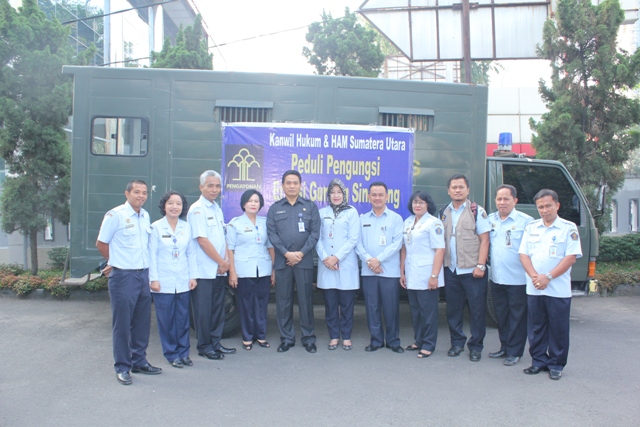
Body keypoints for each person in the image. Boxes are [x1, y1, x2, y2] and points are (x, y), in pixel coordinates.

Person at [96, 180, 161, 385]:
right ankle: (123, 367)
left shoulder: (145, 216)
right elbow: (101, 243)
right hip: (123, 276)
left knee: (142, 322)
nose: (141, 196)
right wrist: (113, 262)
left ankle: (139, 361)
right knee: (122, 324)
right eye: (136, 192)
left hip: (142, 275)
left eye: (144, 193)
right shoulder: (115, 215)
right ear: (127, 193)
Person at [519, 189, 582, 380]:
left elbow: (570, 258)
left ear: (557, 205)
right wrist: (534, 277)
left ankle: (556, 364)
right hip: (535, 287)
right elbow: (524, 254)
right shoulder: (532, 227)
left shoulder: (568, 228)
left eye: (548, 206)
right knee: (536, 328)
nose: (544, 210)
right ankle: (538, 361)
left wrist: (547, 277)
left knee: (558, 328)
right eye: (540, 207)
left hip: (557, 289)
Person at [266, 170, 321, 353]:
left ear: (300, 185)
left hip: (304, 262)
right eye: (288, 183)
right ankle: (287, 338)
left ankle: (308, 338)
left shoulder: (310, 206)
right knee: (283, 301)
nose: (291, 186)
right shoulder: (275, 208)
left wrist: (301, 253)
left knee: (306, 300)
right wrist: (286, 253)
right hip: (283, 262)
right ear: (282, 185)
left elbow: (315, 233)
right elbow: (272, 234)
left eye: (295, 183)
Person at [441, 174, 491, 362]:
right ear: (449, 190)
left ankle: (476, 346)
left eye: (461, 187)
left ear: (468, 190)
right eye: (454, 187)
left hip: (473, 271)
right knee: (453, 309)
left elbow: (485, 240)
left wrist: (480, 265)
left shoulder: (476, 211)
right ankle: (457, 343)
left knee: (477, 311)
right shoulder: (444, 212)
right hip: (451, 270)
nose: (457, 190)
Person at [187, 170, 235, 360]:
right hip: (204, 270)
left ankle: (216, 342)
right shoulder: (197, 209)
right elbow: (202, 240)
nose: (214, 189)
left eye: (217, 186)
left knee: (218, 308)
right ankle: (204, 346)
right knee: (203, 311)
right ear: (201, 187)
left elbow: (221, 238)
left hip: (218, 270)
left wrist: (225, 264)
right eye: (210, 185)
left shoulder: (216, 208)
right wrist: (222, 262)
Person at [149, 191, 198, 368]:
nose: (174, 207)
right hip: (163, 282)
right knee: (167, 321)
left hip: (183, 281)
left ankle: (184, 352)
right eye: (171, 203)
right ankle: (171, 354)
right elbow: (151, 255)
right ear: (164, 206)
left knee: (183, 319)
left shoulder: (186, 227)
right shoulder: (156, 227)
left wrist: (193, 276)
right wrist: (153, 279)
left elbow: (191, 253)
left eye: (178, 204)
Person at [487, 185, 533, 366]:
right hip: (497, 278)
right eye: (499, 199)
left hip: (518, 279)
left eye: (506, 199)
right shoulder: (490, 220)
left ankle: (515, 352)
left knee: (517, 317)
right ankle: (504, 347)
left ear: (515, 200)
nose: (502, 202)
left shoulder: (526, 222)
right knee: (502, 315)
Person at [356, 181, 404, 353]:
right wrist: (370, 261)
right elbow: (357, 243)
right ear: (369, 197)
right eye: (374, 194)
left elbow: (397, 243)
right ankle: (376, 340)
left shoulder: (396, 219)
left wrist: (379, 260)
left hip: (389, 272)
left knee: (391, 308)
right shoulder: (362, 219)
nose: (377, 198)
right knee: (372, 307)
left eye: (380, 194)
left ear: (387, 197)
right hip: (369, 272)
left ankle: (393, 341)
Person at [226, 190, 275, 351]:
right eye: (250, 201)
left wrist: (273, 270)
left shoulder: (265, 222)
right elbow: (230, 249)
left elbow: (270, 247)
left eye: (256, 201)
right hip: (243, 270)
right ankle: (247, 337)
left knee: (261, 304)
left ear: (260, 204)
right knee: (246, 304)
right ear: (244, 204)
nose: (253, 204)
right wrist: (232, 272)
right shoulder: (235, 223)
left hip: (263, 269)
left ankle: (260, 336)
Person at [316, 179, 360, 351]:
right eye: (332, 192)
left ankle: (346, 337)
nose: (336, 195)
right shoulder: (322, 212)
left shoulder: (351, 212)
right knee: (330, 304)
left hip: (345, 264)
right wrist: (326, 258)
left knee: (347, 304)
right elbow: (317, 238)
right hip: (327, 265)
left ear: (344, 194)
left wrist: (337, 258)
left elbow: (353, 239)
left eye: (339, 192)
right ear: (328, 195)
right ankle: (334, 336)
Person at [400, 191, 445, 359]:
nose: (417, 205)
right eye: (415, 202)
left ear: (428, 205)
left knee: (428, 312)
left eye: (421, 202)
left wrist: (434, 276)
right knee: (415, 311)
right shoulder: (408, 221)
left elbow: (440, 250)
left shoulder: (434, 223)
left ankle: (428, 344)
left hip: (427, 274)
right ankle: (418, 340)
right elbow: (404, 247)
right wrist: (401, 271)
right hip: (411, 273)